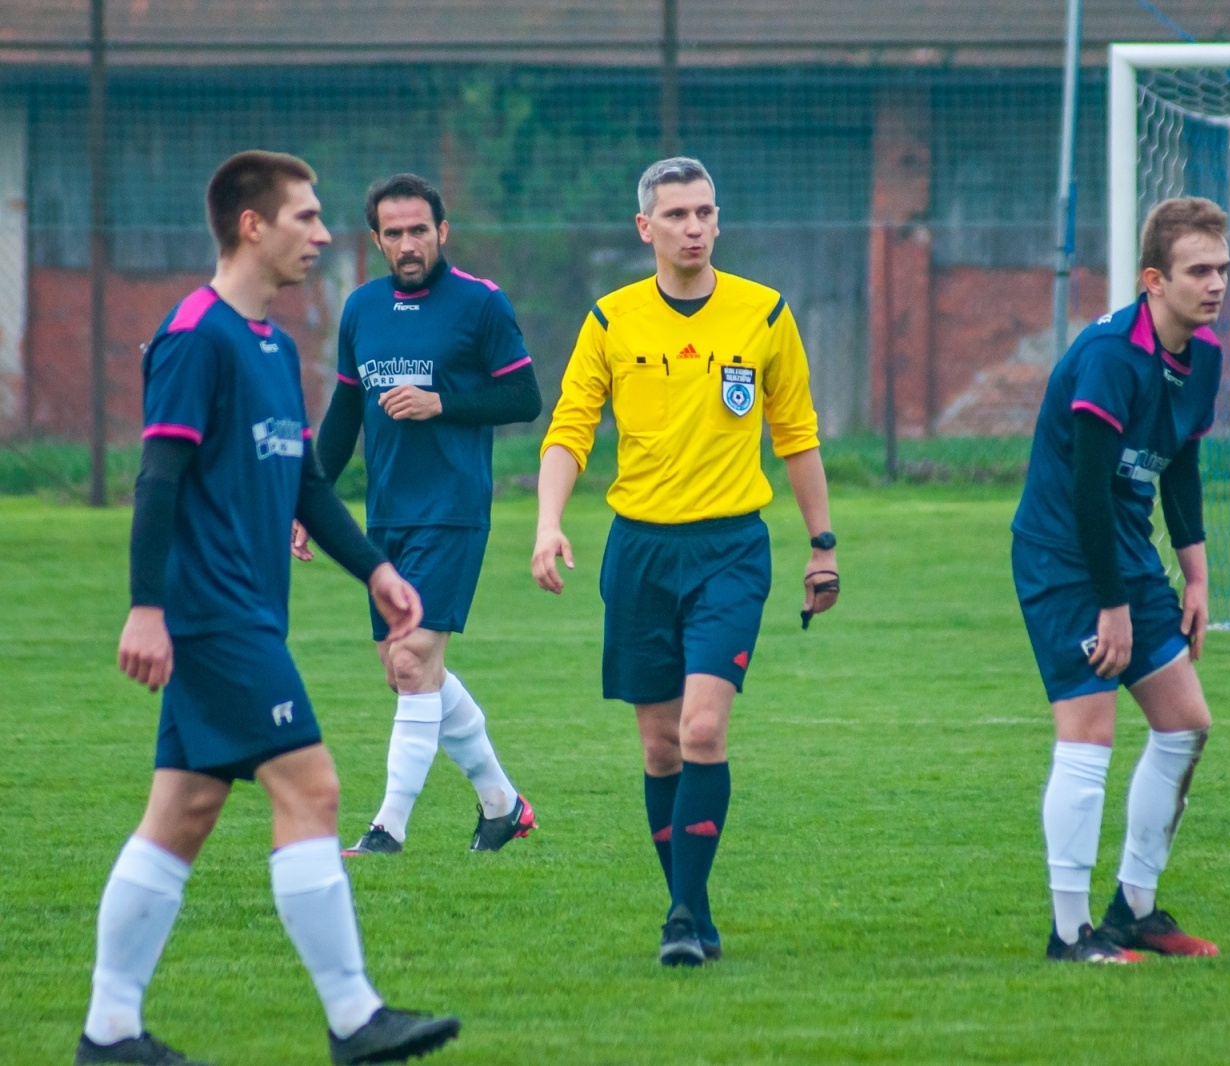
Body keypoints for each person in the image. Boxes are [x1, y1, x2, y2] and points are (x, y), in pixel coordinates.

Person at [80, 151, 459, 1066]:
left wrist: (373, 568)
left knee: (182, 812)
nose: (325, 235)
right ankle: (353, 1016)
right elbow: (157, 480)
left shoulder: (274, 347)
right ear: (252, 225)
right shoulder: (194, 337)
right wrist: (146, 608)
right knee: (314, 788)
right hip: (215, 618)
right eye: (307, 217)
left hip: (246, 611)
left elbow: (306, 483)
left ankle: (110, 1033)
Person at [531, 156, 839, 967]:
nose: (694, 228)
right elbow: (569, 430)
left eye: (705, 212)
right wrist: (548, 523)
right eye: (676, 216)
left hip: (731, 549)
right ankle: (693, 912)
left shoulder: (764, 314)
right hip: (639, 552)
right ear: (646, 229)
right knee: (660, 748)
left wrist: (822, 545)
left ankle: (679, 917)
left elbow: (796, 435)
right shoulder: (610, 321)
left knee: (704, 729)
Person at [1011, 197, 1229, 964]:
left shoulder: (1202, 357)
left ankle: (1134, 909)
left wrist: (1195, 576)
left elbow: (1182, 463)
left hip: (1124, 548)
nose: (1215, 285)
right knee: (1090, 732)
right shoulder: (1110, 357)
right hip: (1063, 552)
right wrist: (1113, 608)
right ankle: (1069, 935)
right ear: (1152, 279)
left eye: (1222, 270)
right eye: (1198, 271)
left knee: (1186, 724)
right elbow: (1084, 493)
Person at [302, 173, 542, 855]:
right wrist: (305, 498)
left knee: (412, 663)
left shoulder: (481, 305)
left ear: (443, 232)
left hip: (452, 511)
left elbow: (525, 397)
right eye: (394, 233)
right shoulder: (362, 308)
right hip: (387, 518)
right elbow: (346, 410)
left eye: (419, 230)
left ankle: (388, 828)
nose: (408, 244)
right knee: (407, 668)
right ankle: (502, 805)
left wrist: (443, 402)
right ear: (376, 239)